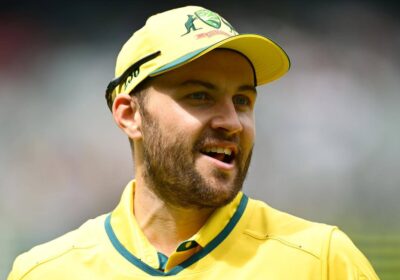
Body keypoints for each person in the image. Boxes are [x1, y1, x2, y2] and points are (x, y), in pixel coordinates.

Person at [8, 6, 379, 280]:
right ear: (129, 115)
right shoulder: (46, 271)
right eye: (200, 96)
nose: (232, 122)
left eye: (243, 101)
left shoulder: (324, 260)